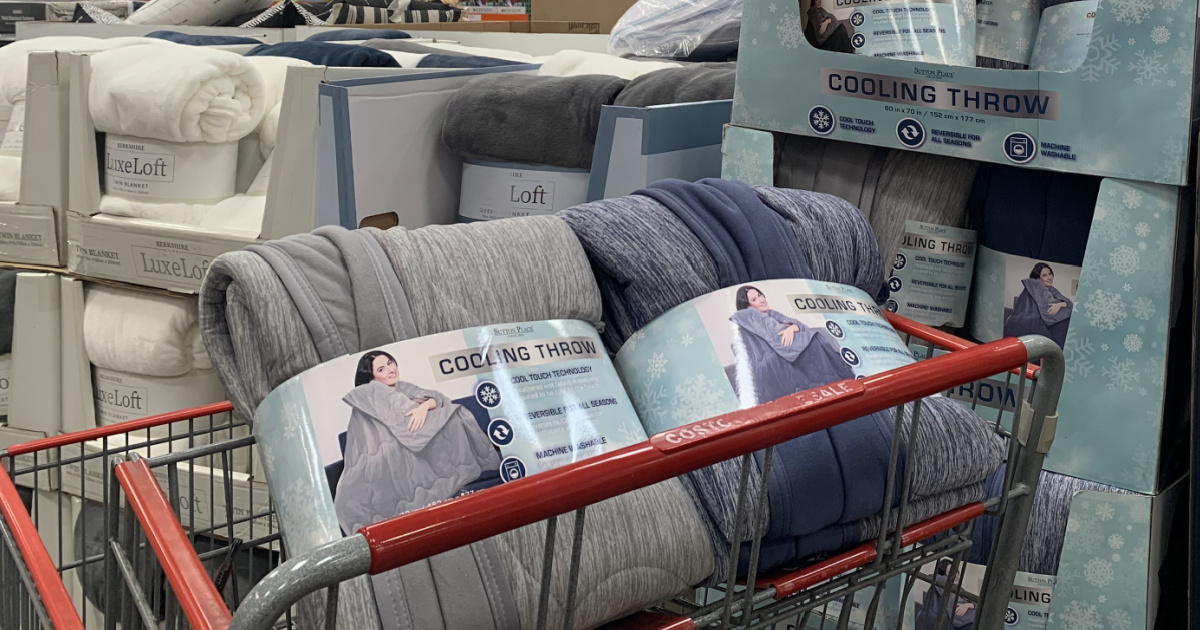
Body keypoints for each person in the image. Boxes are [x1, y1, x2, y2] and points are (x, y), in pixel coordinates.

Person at [333, 350, 501, 535]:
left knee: (452, 413)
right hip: (381, 452)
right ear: (371, 378)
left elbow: (438, 398)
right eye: (381, 368)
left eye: (390, 362)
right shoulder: (371, 391)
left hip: (402, 443)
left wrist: (423, 406)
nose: (390, 369)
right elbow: (405, 418)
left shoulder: (402, 387)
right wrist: (422, 407)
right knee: (453, 415)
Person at [729, 285, 856, 405]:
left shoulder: (771, 314)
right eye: (754, 299)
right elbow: (779, 336)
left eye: (760, 295)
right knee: (816, 343)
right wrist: (791, 328)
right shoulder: (750, 315)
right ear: (747, 305)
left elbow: (797, 326)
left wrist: (792, 328)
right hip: (767, 361)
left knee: (816, 341)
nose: (761, 300)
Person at [1002, 262, 1073, 349]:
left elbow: (1069, 303)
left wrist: (1061, 304)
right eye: (1044, 275)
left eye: (1050, 274)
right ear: (1038, 278)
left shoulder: (1051, 289)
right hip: (1025, 323)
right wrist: (1062, 305)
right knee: (1064, 324)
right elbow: (1049, 310)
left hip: (1022, 323)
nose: (1049, 278)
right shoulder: (1037, 285)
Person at [915, 559, 976, 630]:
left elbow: (976, 602)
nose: (956, 575)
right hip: (961, 621)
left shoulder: (959, 589)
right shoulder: (941, 582)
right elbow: (936, 577)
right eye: (951, 572)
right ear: (943, 575)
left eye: (956, 572)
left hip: (968, 618)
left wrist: (968, 605)